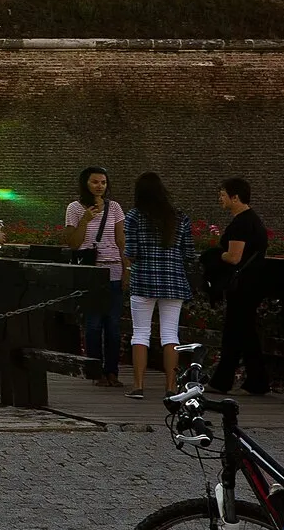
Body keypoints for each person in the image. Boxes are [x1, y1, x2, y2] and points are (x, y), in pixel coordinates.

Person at [125, 172, 198, 399]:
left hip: (143, 280)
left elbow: (131, 252)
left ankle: (138, 386)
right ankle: (171, 387)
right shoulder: (179, 217)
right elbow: (189, 253)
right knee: (169, 334)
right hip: (174, 281)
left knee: (140, 333)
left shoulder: (135, 216)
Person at [62, 166, 127, 387]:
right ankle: (95, 370)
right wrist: (85, 220)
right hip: (91, 271)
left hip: (114, 270)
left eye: (103, 182)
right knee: (93, 324)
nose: (100, 186)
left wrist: (126, 269)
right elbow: (72, 243)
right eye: (95, 182)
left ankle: (112, 372)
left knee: (113, 325)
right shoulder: (75, 208)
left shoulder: (115, 208)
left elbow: (121, 240)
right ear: (85, 183)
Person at [206, 176, 270, 395]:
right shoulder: (253, 220)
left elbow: (234, 257)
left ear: (235, 197)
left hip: (242, 286)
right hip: (253, 283)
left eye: (223, 195)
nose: (220, 198)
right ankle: (257, 381)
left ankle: (223, 381)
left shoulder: (241, 223)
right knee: (246, 333)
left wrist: (215, 254)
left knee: (234, 333)